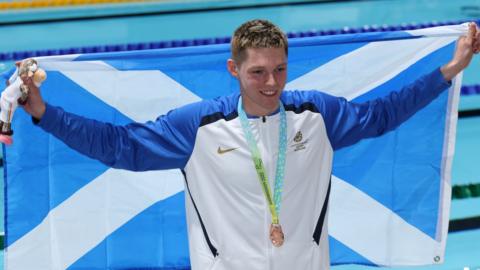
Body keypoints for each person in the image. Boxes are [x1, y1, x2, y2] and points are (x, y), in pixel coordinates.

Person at [18, 19, 480, 270]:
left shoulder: (317, 116)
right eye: (258, 71)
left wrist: (447, 72)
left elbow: (383, 115)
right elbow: (119, 145)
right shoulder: (197, 127)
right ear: (233, 70)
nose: (272, 82)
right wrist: (43, 113)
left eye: (279, 69)